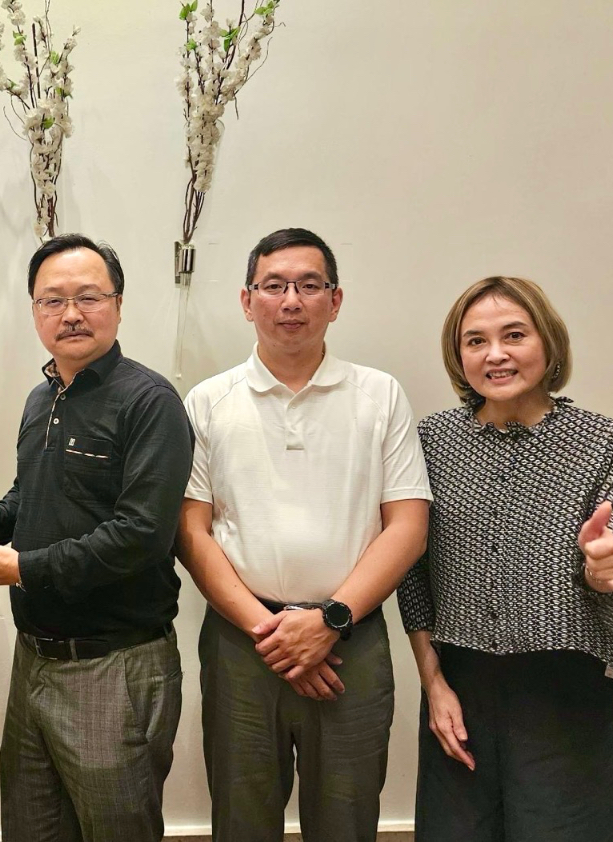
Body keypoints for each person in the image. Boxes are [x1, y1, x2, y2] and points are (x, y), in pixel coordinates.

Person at [175, 228, 432, 842]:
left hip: (351, 638)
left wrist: (329, 620)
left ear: (335, 301)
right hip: (242, 644)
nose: (291, 300)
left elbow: (408, 526)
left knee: (347, 819)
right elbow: (190, 531)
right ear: (247, 301)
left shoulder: (380, 395)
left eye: (309, 285)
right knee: (241, 820)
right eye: (274, 286)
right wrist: (272, 635)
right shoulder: (208, 401)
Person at [0, 233, 193, 842]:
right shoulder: (42, 398)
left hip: (114, 664)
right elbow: (38, 501)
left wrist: (20, 568)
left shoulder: (150, 402)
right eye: (52, 300)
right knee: (30, 830)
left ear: (118, 305)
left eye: (89, 297)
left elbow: (141, 534)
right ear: (34, 311)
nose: (71, 314)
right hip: (33, 659)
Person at [397, 276, 613, 842]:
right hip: (460, 683)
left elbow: (612, 564)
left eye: (514, 335)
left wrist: (608, 570)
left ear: (548, 342)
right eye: (475, 341)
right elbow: (413, 576)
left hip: (568, 685)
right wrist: (433, 684)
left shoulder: (605, 441)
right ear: (458, 356)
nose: (496, 354)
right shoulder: (429, 442)